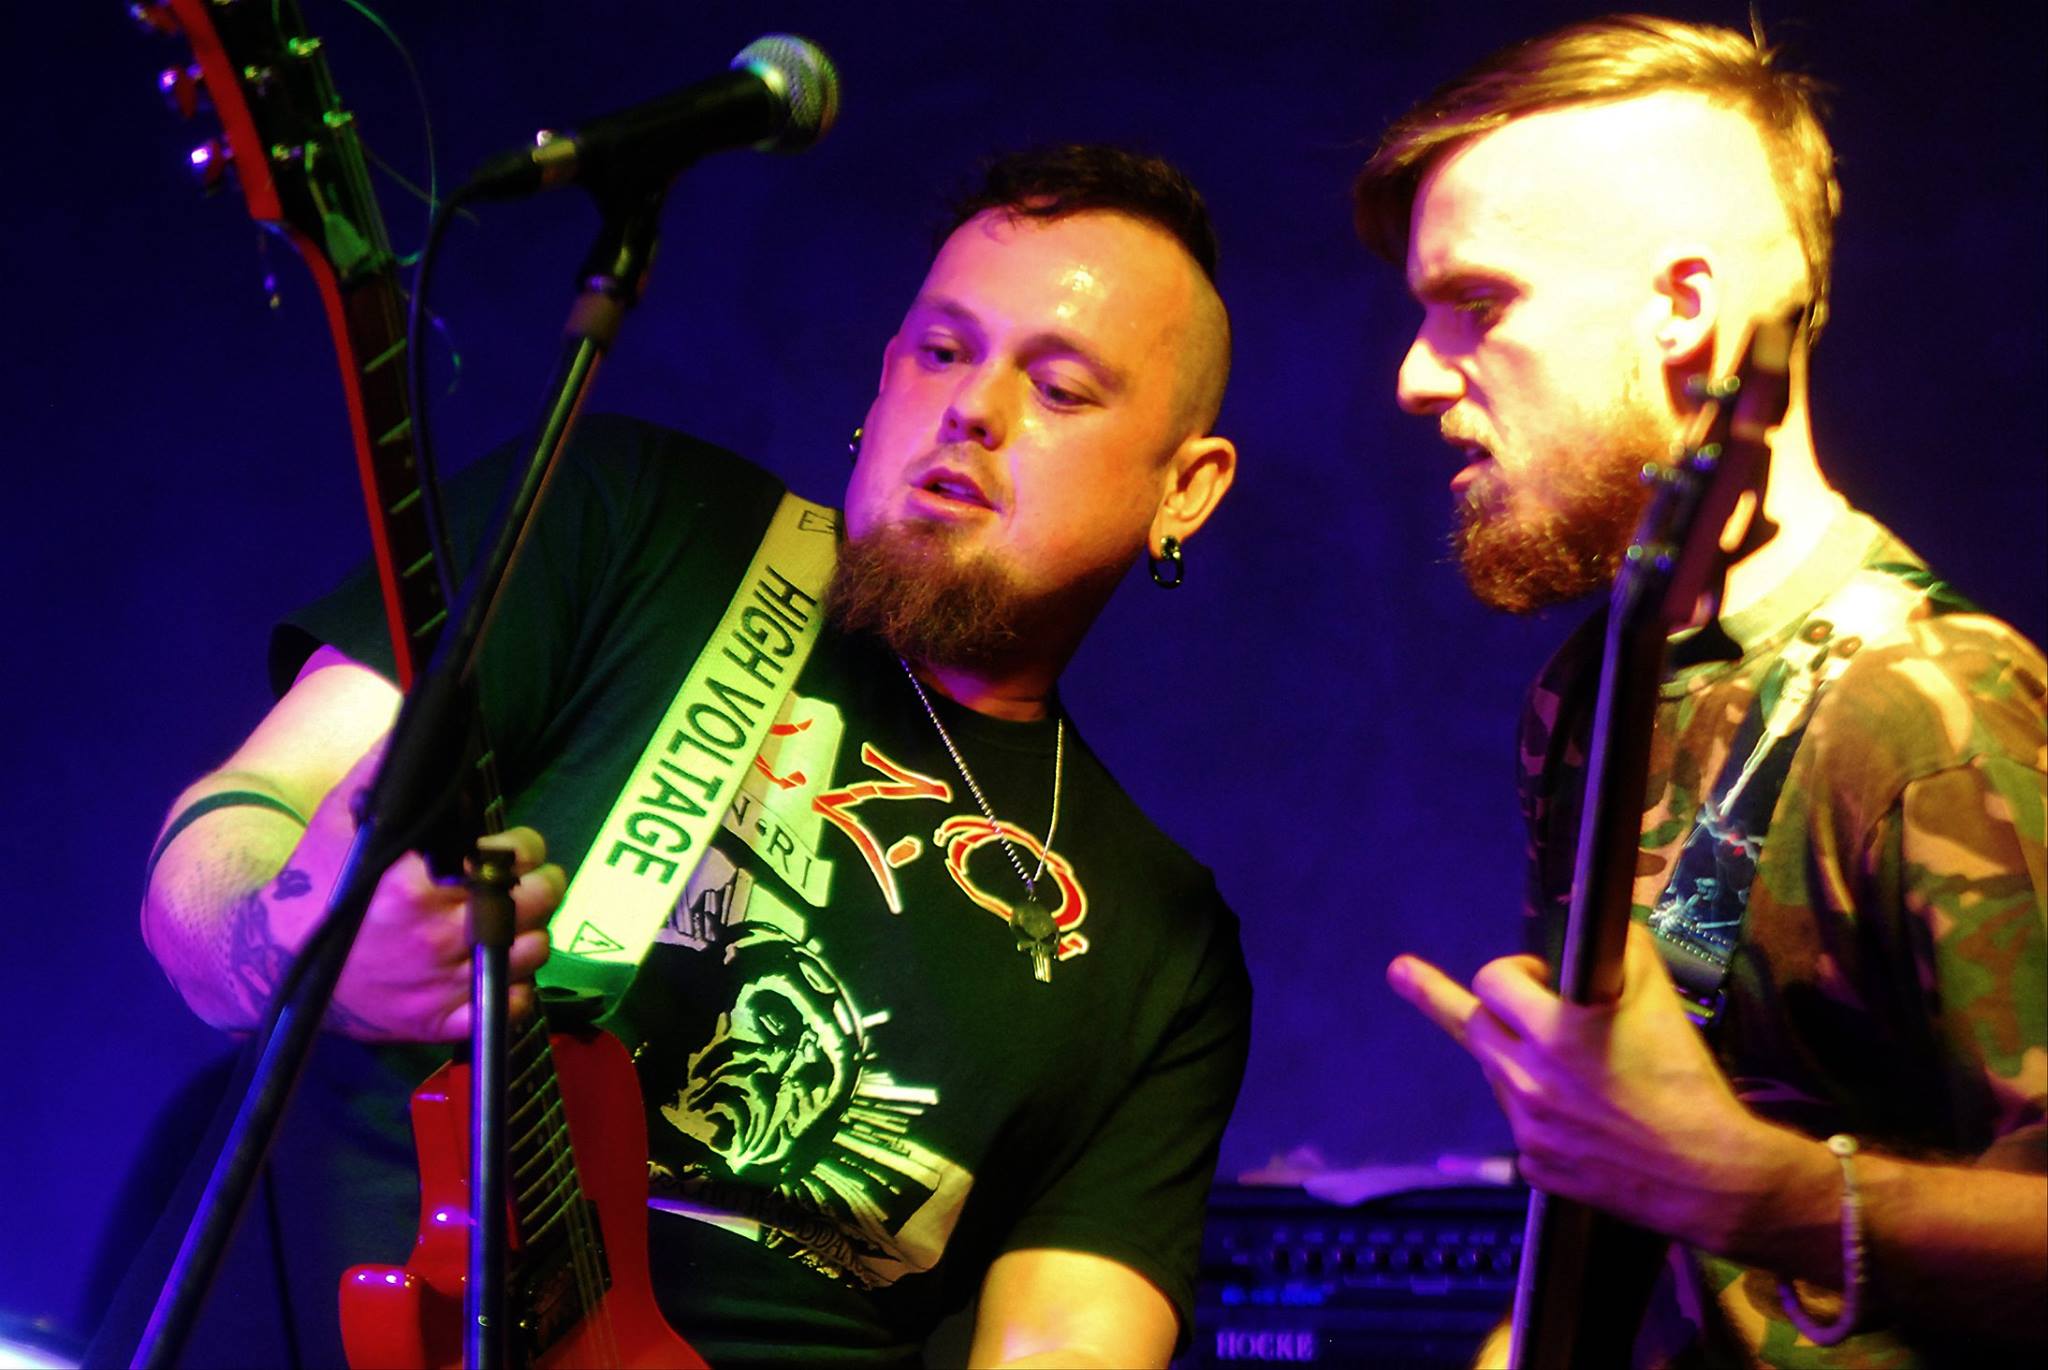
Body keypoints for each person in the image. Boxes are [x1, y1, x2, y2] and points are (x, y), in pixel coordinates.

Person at [133, 144, 1249, 1368]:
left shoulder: (1164, 944)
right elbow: (233, 823)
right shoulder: (633, 520)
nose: (972, 407)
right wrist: (301, 949)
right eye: (942, 350)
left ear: (1184, 489)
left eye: (1062, 388)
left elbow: (1067, 1341)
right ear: (884, 377)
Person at [1352, 15, 2046, 1365]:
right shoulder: (1591, 696)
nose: (1416, 374)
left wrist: (1759, 1192)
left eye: (1479, 305)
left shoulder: (1934, 712)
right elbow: (1629, 1199)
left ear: (1682, 310)